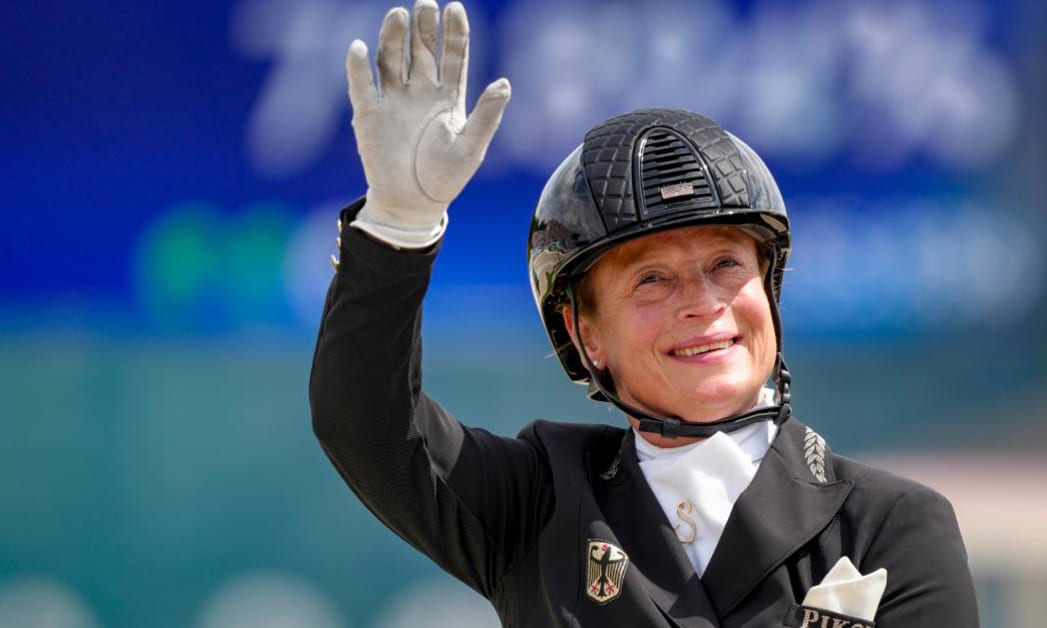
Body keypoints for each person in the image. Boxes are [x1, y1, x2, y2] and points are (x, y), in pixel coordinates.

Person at [309, 1, 980, 626]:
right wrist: (398, 226)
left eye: (726, 265)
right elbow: (366, 422)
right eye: (652, 280)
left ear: (768, 294)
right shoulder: (541, 501)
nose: (703, 303)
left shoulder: (891, 526)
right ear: (586, 335)